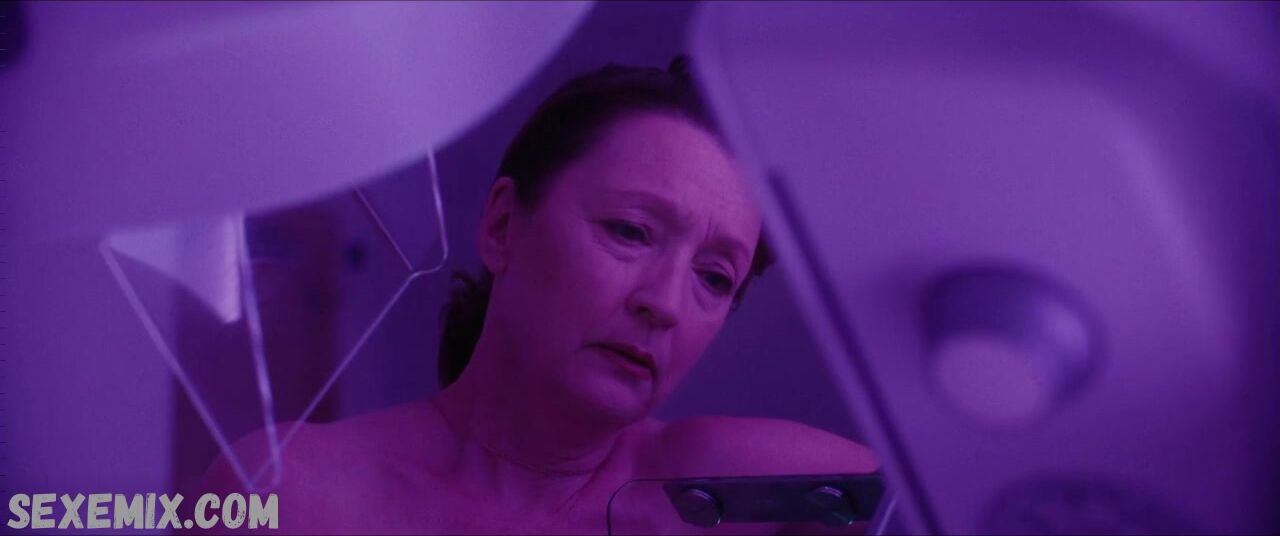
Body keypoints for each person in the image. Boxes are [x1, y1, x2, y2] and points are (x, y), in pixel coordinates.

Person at [202, 57, 878, 534]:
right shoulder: (292, 493)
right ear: (502, 226)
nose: (666, 304)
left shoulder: (734, 494)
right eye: (631, 231)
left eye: (715, 278)